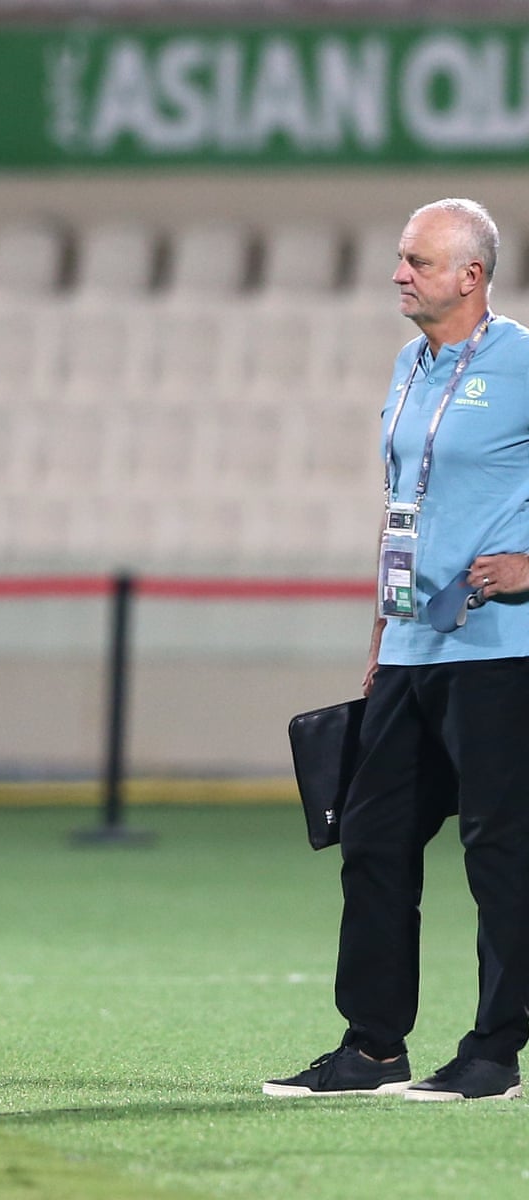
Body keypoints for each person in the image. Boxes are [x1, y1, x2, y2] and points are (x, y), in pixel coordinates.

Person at [265, 198, 529, 1102]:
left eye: (417, 261)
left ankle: (495, 1050)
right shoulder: (407, 366)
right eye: (401, 258)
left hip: (501, 651)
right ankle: (373, 1047)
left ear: (471, 276)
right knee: (372, 841)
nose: (398, 274)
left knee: (500, 849)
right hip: (411, 647)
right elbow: (401, 506)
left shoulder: (522, 363)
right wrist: (380, 632)